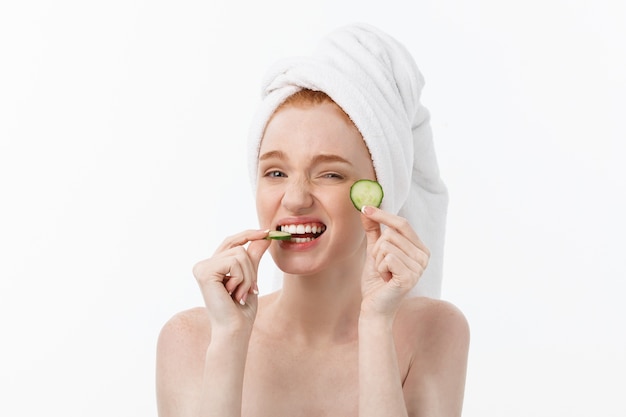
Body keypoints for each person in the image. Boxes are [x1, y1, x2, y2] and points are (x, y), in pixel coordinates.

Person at [156, 23, 469, 417]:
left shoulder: (433, 332)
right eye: (275, 172)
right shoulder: (192, 339)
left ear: (378, 193)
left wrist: (375, 325)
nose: (296, 198)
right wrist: (230, 341)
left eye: (330, 173)